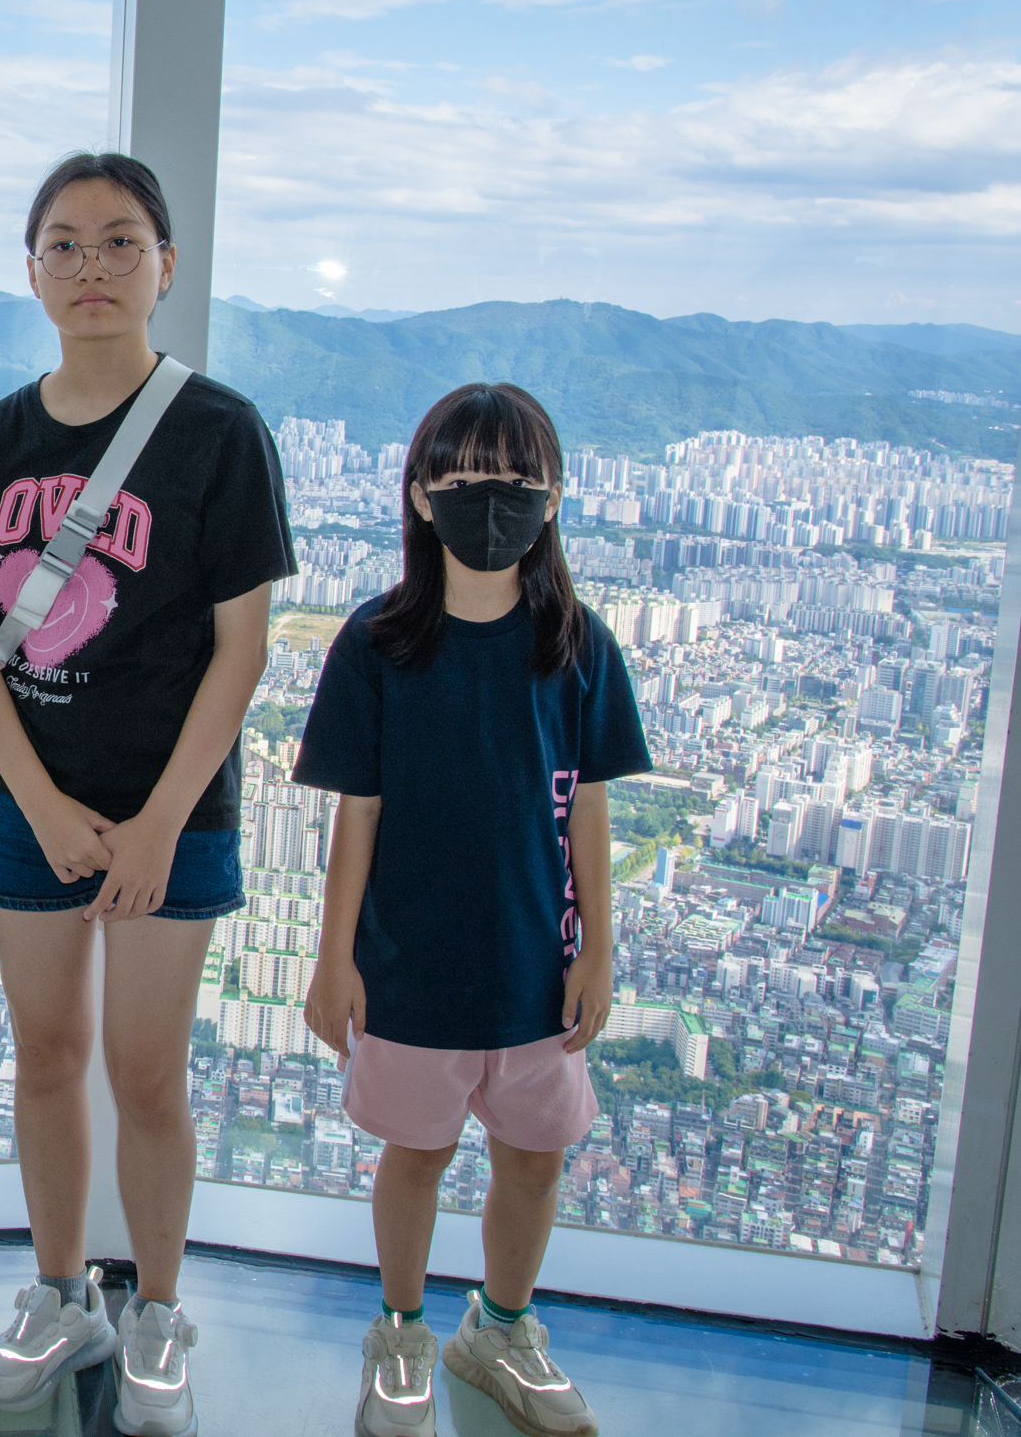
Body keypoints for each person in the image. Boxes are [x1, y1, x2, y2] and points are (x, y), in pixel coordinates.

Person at [0, 153, 295, 1436]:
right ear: (31, 270)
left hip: (171, 811)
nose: (92, 266)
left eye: (120, 240)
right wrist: (37, 802)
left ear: (166, 264)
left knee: (148, 1074)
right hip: (29, 800)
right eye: (65, 244)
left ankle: (154, 1308)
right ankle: (59, 1293)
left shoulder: (219, 431)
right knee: (45, 1056)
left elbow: (241, 648)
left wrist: (157, 824)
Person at [298, 383, 647, 1437]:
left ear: (553, 496)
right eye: (463, 475)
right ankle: (402, 1332)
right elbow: (357, 813)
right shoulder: (376, 640)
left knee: (535, 1157)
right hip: (408, 964)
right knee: (415, 1153)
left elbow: (588, 807)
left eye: (515, 477)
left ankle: (499, 1326)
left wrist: (599, 950)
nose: (490, 498)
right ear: (418, 493)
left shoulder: (576, 642)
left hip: (537, 962)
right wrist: (333, 958)